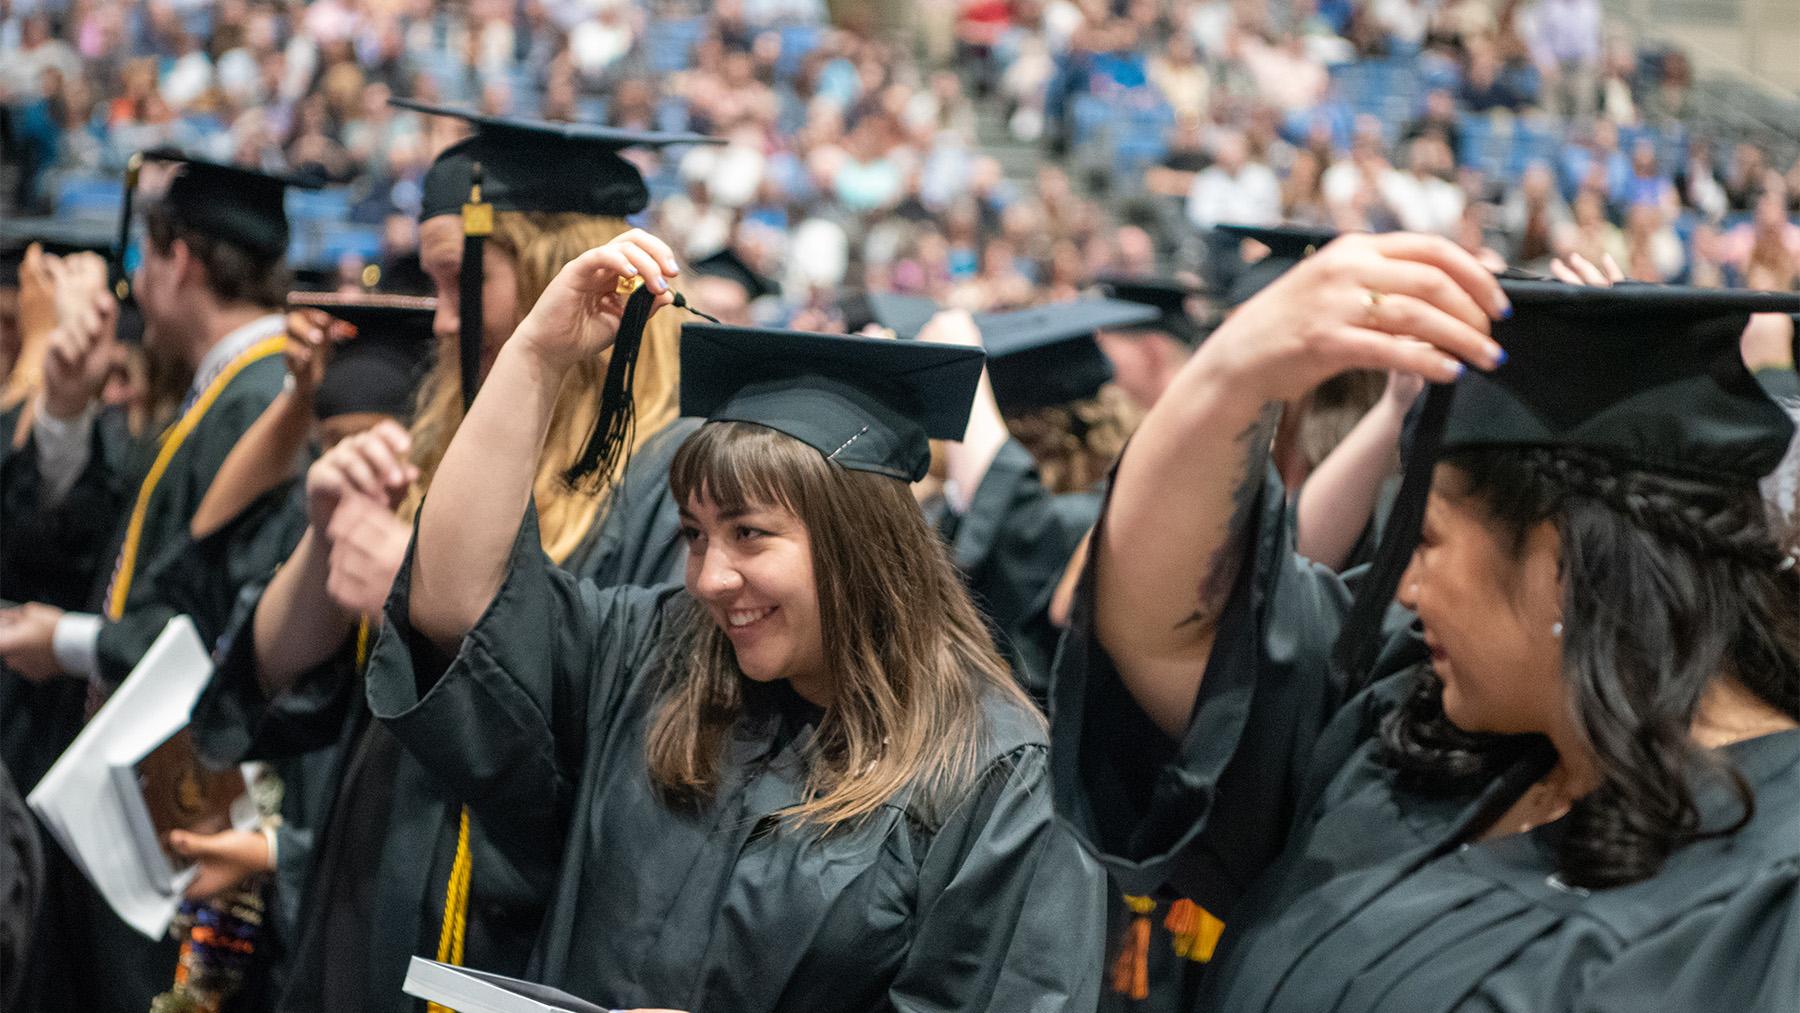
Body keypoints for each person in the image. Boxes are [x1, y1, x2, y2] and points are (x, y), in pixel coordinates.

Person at [1051, 230, 1800, 1011]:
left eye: (1429, 539)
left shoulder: (1768, 898)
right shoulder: (1425, 736)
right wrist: (1234, 375)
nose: (1403, 585)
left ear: (1561, 560)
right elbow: (1162, 628)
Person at [364, 230, 1106, 1011]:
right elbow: (457, 605)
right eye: (694, 534)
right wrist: (535, 357)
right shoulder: (656, 653)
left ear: (860, 545)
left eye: (750, 533)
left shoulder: (993, 777)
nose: (711, 577)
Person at [188, 108, 713, 1013]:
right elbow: (271, 679)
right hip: (366, 881)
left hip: (512, 931)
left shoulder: (672, 479)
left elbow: (642, 755)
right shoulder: (438, 442)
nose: (436, 320)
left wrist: (422, 582)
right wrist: (325, 542)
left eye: (454, 280)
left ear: (555, 275)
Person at [0, 151, 317, 1013]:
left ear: (179, 260)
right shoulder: (224, 393)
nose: (136, 282)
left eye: (145, 258)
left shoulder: (261, 402)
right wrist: (64, 407)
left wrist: (65, 641)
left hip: (188, 800)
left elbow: (223, 621)